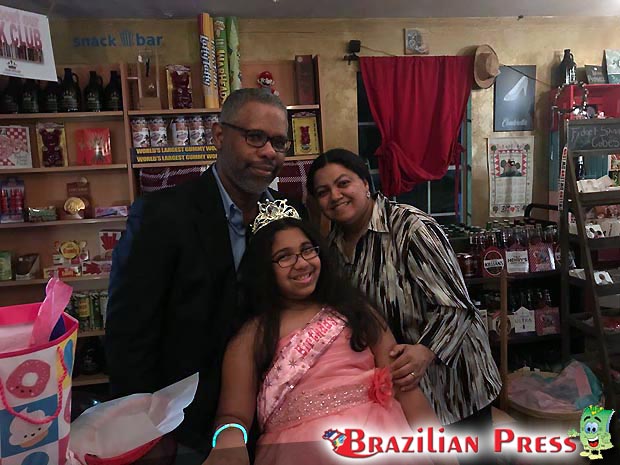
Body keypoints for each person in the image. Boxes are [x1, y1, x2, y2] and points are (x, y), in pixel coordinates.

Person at [105, 88, 296, 463]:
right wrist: (143, 429)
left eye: (279, 142)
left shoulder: (288, 214)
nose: (269, 152)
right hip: (185, 424)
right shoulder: (162, 215)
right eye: (255, 137)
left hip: (275, 415)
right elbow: (129, 331)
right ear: (219, 136)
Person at [204, 201, 444, 465]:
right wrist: (229, 439)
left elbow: (405, 388)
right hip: (298, 452)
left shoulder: (356, 311)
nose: (301, 263)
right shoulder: (252, 336)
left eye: (307, 250)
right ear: (264, 269)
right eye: (284, 256)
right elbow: (233, 416)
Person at [307, 149, 502, 440]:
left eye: (343, 183)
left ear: (365, 183)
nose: (335, 196)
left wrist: (425, 351)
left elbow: (457, 305)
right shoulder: (332, 244)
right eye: (323, 192)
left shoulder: (411, 227)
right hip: (400, 388)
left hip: (454, 383)